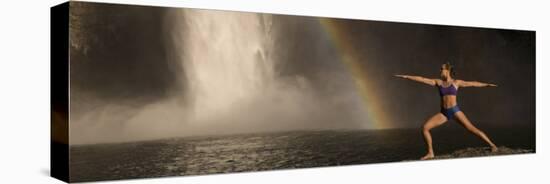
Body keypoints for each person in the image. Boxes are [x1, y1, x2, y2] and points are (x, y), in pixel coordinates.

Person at [395, 62, 498, 160]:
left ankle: (492, 145)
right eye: (440, 69)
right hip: (444, 113)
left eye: (442, 69)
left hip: (455, 111)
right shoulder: (438, 82)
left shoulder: (456, 82)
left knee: (472, 129)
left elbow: (472, 83)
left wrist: (487, 84)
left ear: (447, 70)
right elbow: (422, 79)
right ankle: (431, 153)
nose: (440, 70)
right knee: (425, 128)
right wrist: (406, 76)